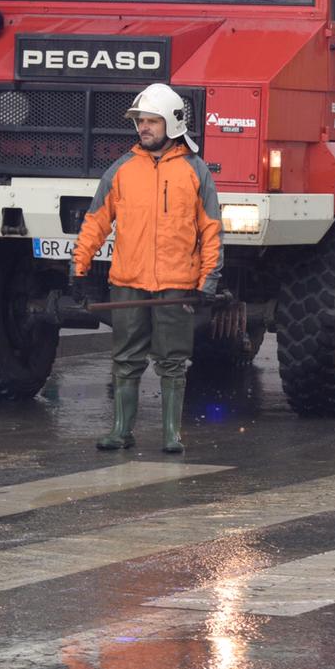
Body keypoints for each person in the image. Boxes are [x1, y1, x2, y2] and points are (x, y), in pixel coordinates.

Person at [70, 83, 223, 454]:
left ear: (172, 123)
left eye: (152, 121)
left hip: (176, 284)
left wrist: (208, 280)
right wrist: (79, 268)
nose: (144, 128)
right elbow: (96, 221)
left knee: (172, 362)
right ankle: (121, 431)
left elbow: (212, 231)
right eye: (140, 121)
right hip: (128, 281)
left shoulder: (195, 172)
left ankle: (172, 435)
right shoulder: (121, 171)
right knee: (125, 359)